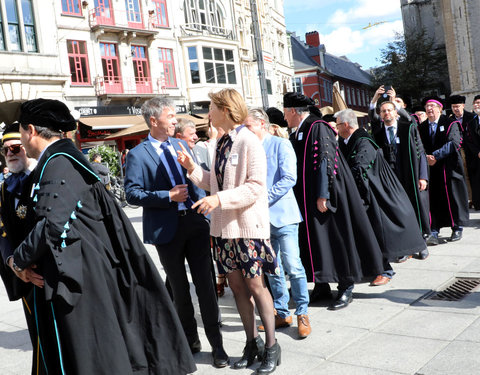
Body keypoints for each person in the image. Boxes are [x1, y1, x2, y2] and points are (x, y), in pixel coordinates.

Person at [10, 98, 196, 374]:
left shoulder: (60, 162)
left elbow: (51, 224)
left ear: (32, 130)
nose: (21, 143)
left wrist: (17, 260)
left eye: (22, 134)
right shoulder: (62, 158)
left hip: (83, 279)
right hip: (85, 270)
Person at [177, 88, 281, 374]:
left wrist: (218, 199)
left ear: (225, 109)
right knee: (236, 288)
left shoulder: (248, 140)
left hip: (248, 228)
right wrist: (192, 169)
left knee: (256, 286)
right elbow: (216, 183)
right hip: (224, 230)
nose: (208, 113)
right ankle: (253, 343)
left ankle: (272, 346)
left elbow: (255, 188)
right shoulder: (221, 142)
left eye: (211, 107)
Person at [124, 97, 228, 368]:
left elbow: (199, 180)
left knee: (206, 285)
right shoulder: (138, 154)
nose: (174, 120)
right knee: (180, 290)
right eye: (170, 116)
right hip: (166, 230)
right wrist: (166, 195)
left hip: (194, 223)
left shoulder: (182, 145)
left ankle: (217, 346)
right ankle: (190, 341)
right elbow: (132, 194)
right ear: (154, 120)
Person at [283, 92, 385, 310]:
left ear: (293, 111)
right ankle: (321, 285)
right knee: (318, 241)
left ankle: (346, 285)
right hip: (307, 197)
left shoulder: (317, 126)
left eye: (285, 112)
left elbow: (325, 161)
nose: (284, 118)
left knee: (337, 238)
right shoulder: (300, 131)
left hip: (328, 194)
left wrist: (323, 194)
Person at [336, 109, 428, 286]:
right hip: (362, 192)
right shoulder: (346, 140)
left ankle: (386, 270)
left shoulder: (364, 142)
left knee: (379, 232)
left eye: (338, 125)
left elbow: (360, 168)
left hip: (377, 193)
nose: (337, 129)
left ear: (346, 125)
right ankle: (371, 268)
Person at [245, 108, 311, 339]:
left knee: (293, 265)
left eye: (249, 126)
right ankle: (282, 313)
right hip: (260, 221)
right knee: (273, 270)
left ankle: (302, 312)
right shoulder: (247, 150)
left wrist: (263, 198)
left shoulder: (280, 145)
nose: (246, 131)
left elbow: (289, 178)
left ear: (261, 123)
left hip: (284, 217)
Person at [0, 122, 40, 373]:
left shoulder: (44, 176)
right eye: (5, 150)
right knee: (39, 338)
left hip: (55, 272)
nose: (11, 153)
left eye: (16, 147)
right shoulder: (6, 188)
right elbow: (1, 230)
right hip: (24, 275)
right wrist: (13, 263)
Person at [371, 101, 431, 259]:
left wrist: (423, 176)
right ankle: (405, 248)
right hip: (391, 179)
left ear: (396, 112)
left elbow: (420, 152)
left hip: (409, 175)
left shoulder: (408, 128)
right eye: (383, 111)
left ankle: (422, 243)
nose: (386, 113)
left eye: (389, 110)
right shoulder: (377, 133)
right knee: (398, 213)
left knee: (416, 209)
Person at [418, 96, 469, 243]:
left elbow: (454, 143)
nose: (429, 109)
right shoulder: (421, 127)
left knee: (453, 197)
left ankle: (457, 227)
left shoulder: (450, 123)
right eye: (427, 106)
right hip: (431, 170)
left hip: (449, 167)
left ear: (440, 108)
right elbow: (418, 145)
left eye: (433, 106)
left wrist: (434, 156)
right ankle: (434, 229)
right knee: (434, 199)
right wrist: (426, 158)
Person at [448, 95, 478, 210]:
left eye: (458, 106)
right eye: (453, 107)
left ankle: (475, 199)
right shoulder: (450, 120)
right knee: (463, 175)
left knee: (473, 176)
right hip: (457, 151)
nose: (456, 109)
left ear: (463, 106)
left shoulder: (472, 117)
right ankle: (468, 199)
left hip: (472, 151)